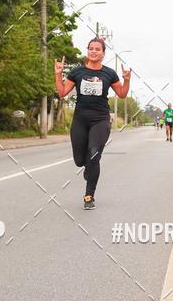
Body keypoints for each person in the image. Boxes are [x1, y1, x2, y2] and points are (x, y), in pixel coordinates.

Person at [55, 38, 131, 209]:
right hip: (80, 120)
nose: (94, 51)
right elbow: (62, 92)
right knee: (80, 160)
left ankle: (89, 195)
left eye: (97, 49)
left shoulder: (109, 74)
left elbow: (122, 94)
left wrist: (126, 80)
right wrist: (58, 74)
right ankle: (88, 169)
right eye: (91, 49)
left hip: (101, 120)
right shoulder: (77, 72)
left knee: (94, 155)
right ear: (88, 51)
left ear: (103, 54)